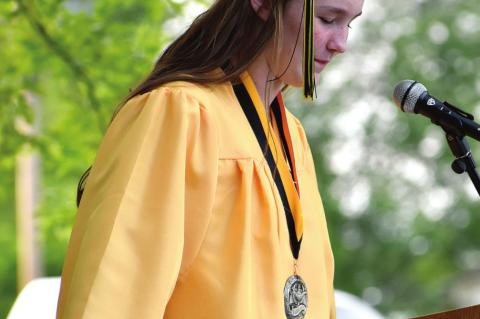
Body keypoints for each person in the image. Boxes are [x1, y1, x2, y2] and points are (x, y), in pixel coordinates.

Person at [56, 0, 364, 318]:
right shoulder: (179, 115)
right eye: (327, 19)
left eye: (349, 24)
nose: (341, 44)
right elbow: (113, 302)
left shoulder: (294, 142)